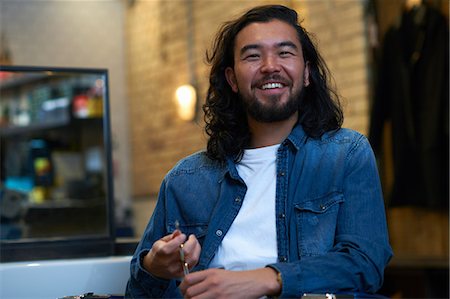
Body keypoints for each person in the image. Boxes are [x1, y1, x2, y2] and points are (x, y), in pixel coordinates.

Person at [125, 4, 392, 298]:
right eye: (253, 55)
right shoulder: (185, 180)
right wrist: (154, 265)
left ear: (306, 73)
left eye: (285, 52)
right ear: (232, 79)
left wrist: (268, 278)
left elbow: (365, 264)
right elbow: (138, 291)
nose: (269, 66)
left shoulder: (346, 155)